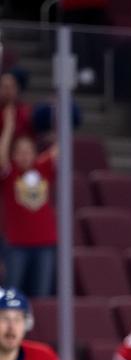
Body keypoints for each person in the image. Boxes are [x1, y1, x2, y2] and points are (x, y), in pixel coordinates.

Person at [0, 112, 57, 298]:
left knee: (42, 294)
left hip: (45, 243)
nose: (24, 156)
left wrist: (57, 120)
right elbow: (2, 156)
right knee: (11, 293)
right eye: (20, 152)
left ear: (35, 154)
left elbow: (60, 148)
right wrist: (8, 127)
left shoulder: (43, 169)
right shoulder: (10, 173)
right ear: (14, 155)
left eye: (28, 151)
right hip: (16, 244)